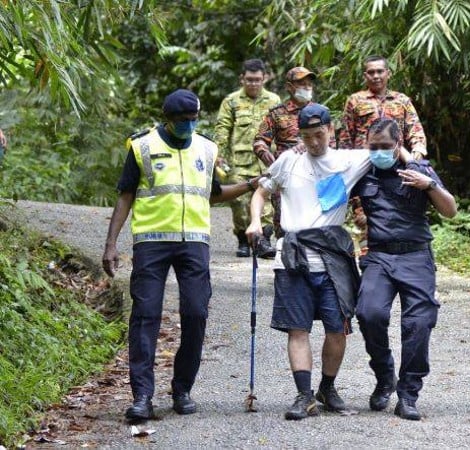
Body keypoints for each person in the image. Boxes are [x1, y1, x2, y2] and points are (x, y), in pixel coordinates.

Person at [102, 88, 261, 422]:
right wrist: (111, 244)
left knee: (196, 313)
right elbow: (125, 195)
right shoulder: (142, 146)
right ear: (167, 118)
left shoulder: (206, 147)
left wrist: (250, 184)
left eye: (193, 119)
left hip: (195, 244)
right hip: (151, 242)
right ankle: (142, 397)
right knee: (145, 315)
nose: (189, 125)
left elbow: (213, 195)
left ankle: (182, 389)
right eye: (182, 121)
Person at [246, 104, 371, 420]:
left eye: (319, 134)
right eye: (307, 136)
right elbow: (260, 192)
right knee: (297, 329)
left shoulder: (348, 161)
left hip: (332, 258)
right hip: (293, 256)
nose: (314, 142)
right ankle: (304, 396)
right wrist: (254, 222)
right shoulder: (289, 161)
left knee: (337, 329)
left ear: (330, 131)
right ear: (299, 136)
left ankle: (326, 388)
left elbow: (389, 150)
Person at [352, 118, 457, 420]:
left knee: (419, 324)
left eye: (385, 146)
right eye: (374, 147)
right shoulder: (362, 172)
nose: (379, 152)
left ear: (398, 145)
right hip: (380, 257)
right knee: (369, 313)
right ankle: (385, 376)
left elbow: (450, 210)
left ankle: (408, 394)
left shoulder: (419, 171)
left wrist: (430, 185)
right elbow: (326, 194)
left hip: (415, 257)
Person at [338, 55, 429, 254]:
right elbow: (346, 137)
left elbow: (415, 131)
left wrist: (415, 158)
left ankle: (399, 263)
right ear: (365, 75)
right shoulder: (355, 101)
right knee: (365, 219)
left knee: (396, 217)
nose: (376, 76)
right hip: (365, 171)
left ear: (388, 73)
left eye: (380, 71)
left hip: (396, 170)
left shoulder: (402, 100)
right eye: (371, 72)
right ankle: (369, 265)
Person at [253, 67, 336, 239]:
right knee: (284, 221)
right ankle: (285, 256)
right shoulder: (277, 114)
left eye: (308, 84)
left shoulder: (321, 112)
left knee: (318, 219)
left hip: (316, 173)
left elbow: (332, 144)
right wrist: (267, 156)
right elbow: (260, 140)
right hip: (286, 174)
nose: (306, 87)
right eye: (301, 84)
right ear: (289, 87)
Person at [213, 58, 280, 258]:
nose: (253, 83)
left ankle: (264, 240)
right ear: (242, 79)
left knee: (266, 202)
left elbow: (282, 128)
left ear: (265, 78)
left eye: (257, 79)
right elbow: (223, 128)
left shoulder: (274, 101)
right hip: (239, 162)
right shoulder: (231, 101)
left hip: (266, 161)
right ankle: (243, 239)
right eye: (249, 79)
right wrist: (219, 155)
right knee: (239, 203)